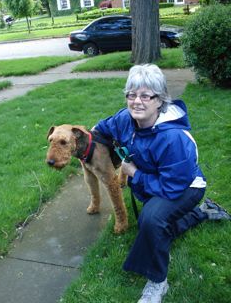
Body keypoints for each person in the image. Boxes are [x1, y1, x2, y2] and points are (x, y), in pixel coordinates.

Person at [94, 64, 230, 303]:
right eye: (131, 94)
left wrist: (134, 174)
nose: (137, 101)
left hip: (185, 187)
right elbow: (103, 128)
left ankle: (158, 282)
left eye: (146, 95)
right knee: (155, 227)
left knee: (151, 219)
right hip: (156, 182)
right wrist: (86, 141)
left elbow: (171, 186)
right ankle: (204, 212)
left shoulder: (173, 138)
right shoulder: (126, 119)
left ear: (160, 100)